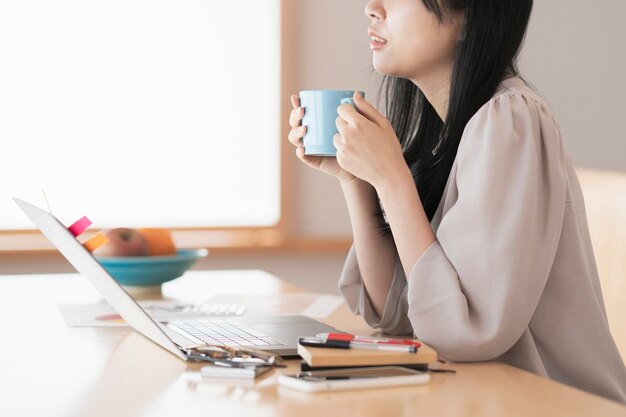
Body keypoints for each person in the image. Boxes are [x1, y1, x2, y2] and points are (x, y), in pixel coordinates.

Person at [287, 0, 626, 403]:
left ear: (470, 18)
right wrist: (357, 178)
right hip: (486, 400)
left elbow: (464, 332)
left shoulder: (508, 120)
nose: (371, 8)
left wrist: (391, 178)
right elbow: (395, 311)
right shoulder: (448, 132)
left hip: (558, 405)